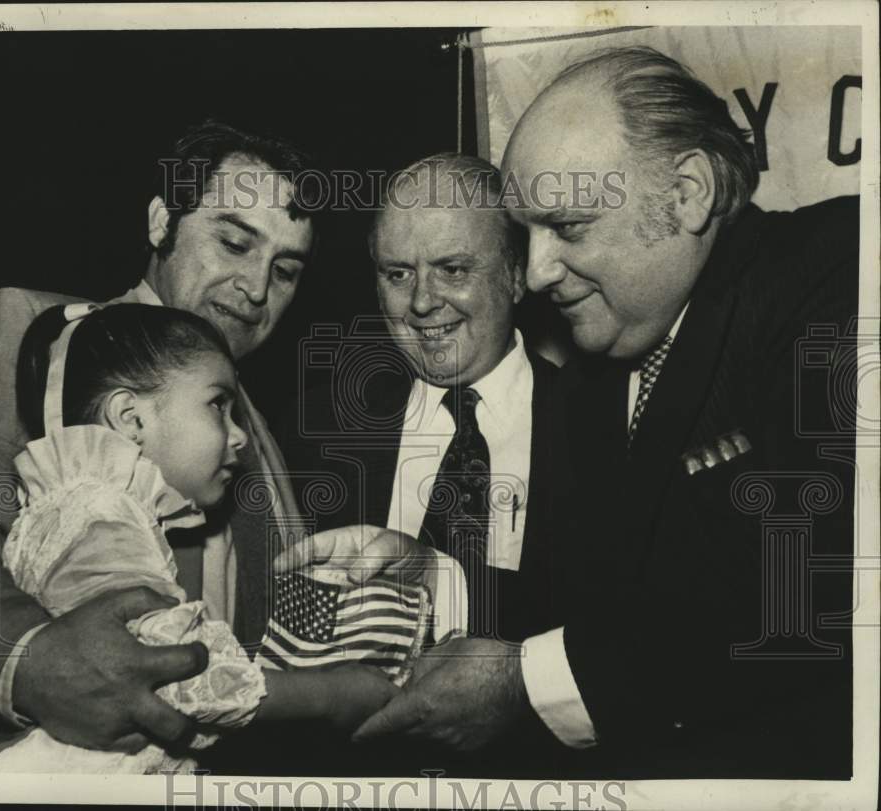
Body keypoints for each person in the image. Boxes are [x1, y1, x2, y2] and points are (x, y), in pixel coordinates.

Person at [354, 46, 857, 778]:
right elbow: (611, 606)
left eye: (571, 226)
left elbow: (806, 576)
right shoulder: (600, 384)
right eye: (527, 233)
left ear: (686, 192)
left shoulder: (837, 268)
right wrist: (436, 576)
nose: (536, 270)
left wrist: (526, 681)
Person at [0, 120, 319, 767]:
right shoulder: (39, 333)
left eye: (285, 270)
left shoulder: (258, 437)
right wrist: (29, 664)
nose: (257, 287)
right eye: (235, 242)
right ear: (161, 222)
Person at [0, 302, 397, 774]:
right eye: (217, 406)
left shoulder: (79, 505)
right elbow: (170, 679)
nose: (240, 436)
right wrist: (332, 694)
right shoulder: (103, 515)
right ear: (131, 419)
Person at [271, 154, 564, 775]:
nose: (423, 302)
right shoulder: (314, 428)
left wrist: (438, 576)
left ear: (516, 275)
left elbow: (612, 628)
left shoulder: (605, 427)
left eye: (453, 269)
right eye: (397, 273)